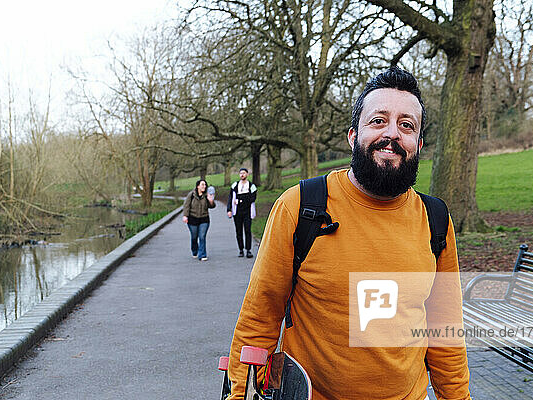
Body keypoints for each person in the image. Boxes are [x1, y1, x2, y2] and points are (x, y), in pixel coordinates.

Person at [226, 67, 471, 400]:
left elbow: (445, 333)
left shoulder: (435, 219)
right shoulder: (300, 206)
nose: (393, 134)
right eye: (378, 121)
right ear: (353, 136)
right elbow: (260, 317)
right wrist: (240, 394)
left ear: (419, 143)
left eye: (406, 125)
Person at [227, 168, 257, 258]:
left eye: (243, 173)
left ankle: (248, 250)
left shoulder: (251, 186)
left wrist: (240, 201)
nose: (242, 175)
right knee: (238, 231)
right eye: (240, 173)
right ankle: (241, 249)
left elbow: (253, 198)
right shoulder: (235, 185)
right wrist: (229, 209)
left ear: (247, 174)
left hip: (247, 211)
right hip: (237, 212)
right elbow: (230, 198)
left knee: (247, 230)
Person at [182, 180, 215, 261]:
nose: (204, 186)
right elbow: (186, 205)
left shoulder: (206, 195)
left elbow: (212, 206)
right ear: (198, 186)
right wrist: (185, 216)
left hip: (204, 219)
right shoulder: (191, 195)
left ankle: (202, 255)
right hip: (192, 219)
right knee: (194, 237)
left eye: (205, 185)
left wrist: (211, 201)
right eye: (202, 185)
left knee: (202, 237)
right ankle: (194, 251)